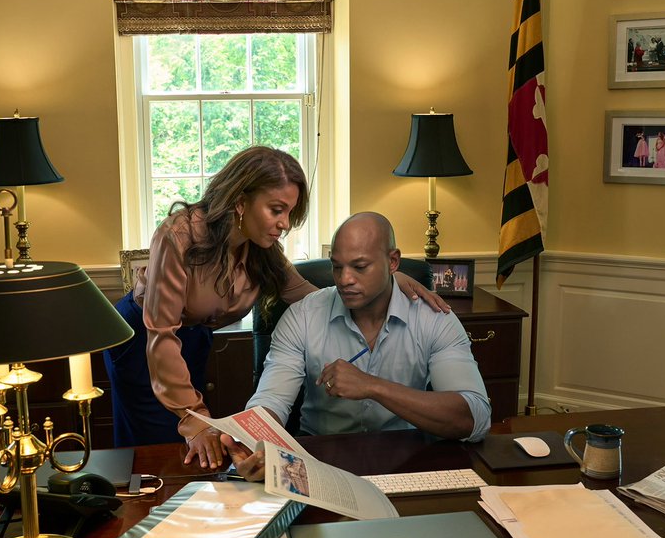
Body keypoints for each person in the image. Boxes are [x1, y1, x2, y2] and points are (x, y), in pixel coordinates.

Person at [102, 148, 446, 468]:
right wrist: (194, 419)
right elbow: (160, 336)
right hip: (141, 339)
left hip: (191, 339)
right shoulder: (178, 236)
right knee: (157, 451)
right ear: (241, 201)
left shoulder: (262, 249)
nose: (285, 223)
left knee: (194, 454)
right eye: (276, 209)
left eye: (290, 212)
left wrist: (386, 280)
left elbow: (316, 296)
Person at [223, 212, 490, 480]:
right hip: (320, 464)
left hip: (409, 461)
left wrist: (373, 386)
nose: (344, 279)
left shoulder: (433, 318)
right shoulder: (302, 316)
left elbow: (475, 418)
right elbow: (272, 399)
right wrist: (252, 442)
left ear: (393, 261)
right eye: (337, 267)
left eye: (360, 267)